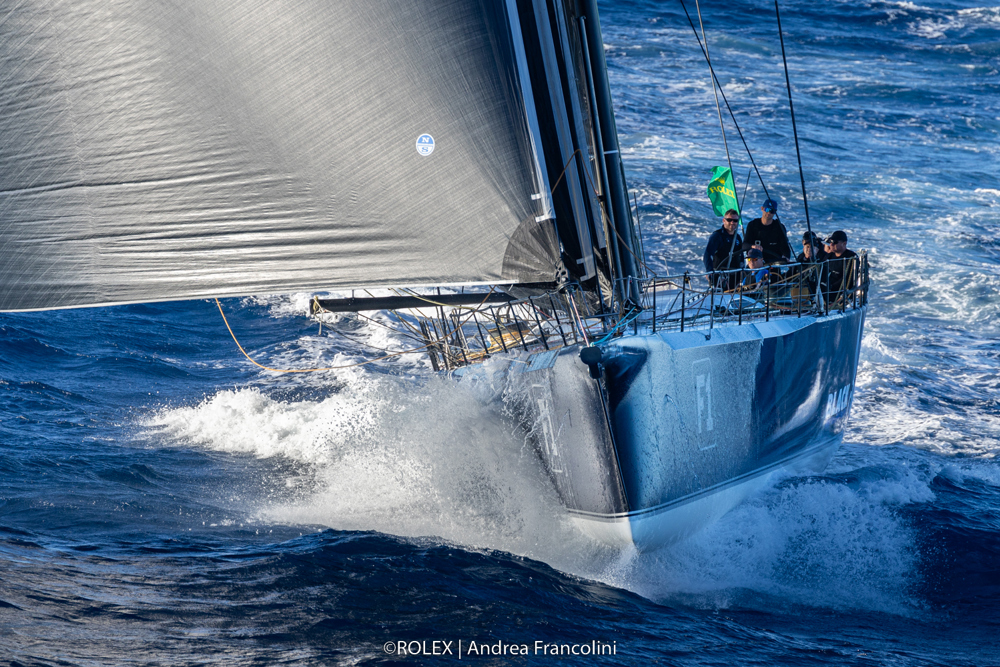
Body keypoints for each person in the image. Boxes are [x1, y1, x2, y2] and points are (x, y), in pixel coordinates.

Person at [741, 198, 792, 265]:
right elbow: (744, 245)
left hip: (773, 264)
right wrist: (753, 246)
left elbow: (785, 248)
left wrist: (786, 257)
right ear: (762, 209)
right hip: (756, 264)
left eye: (772, 211)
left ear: (775, 212)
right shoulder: (753, 225)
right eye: (767, 209)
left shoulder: (779, 227)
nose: (769, 213)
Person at [702, 209, 744, 289]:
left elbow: (741, 257)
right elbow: (707, 255)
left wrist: (741, 276)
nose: (732, 222)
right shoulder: (717, 236)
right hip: (719, 277)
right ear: (724, 220)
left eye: (735, 220)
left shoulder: (737, 237)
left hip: (735, 277)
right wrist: (710, 272)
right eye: (729, 220)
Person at [823, 230, 859, 307]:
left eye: (835, 242)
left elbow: (849, 279)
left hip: (842, 293)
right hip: (827, 291)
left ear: (844, 243)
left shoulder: (851, 257)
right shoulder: (829, 257)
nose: (831, 244)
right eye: (831, 241)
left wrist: (831, 287)